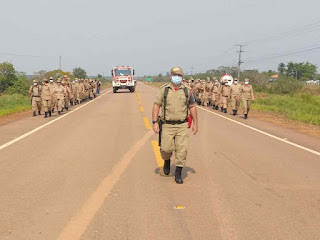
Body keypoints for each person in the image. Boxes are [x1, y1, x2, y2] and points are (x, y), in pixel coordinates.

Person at [152, 67, 198, 184]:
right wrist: (154, 122)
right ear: (170, 76)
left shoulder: (187, 91)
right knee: (165, 149)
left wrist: (195, 123)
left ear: (182, 77)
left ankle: (178, 173)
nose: (176, 77)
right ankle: (166, 161)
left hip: (182, 125)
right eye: (174, 75)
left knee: (182, 150)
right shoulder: (164, 90)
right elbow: (157, 105)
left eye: (179, 75)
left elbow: (192, 106)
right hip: (167, 125)